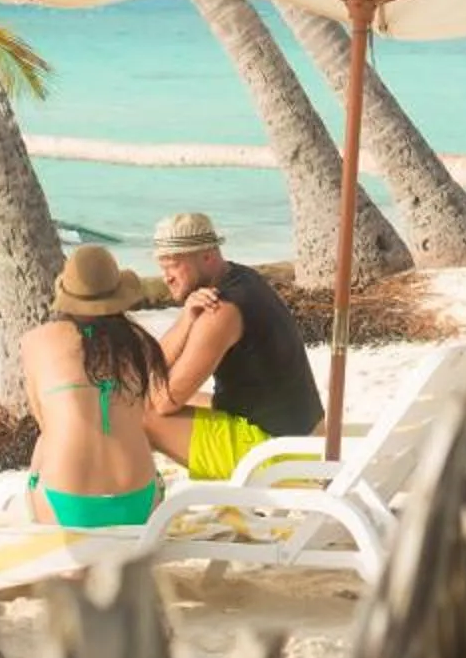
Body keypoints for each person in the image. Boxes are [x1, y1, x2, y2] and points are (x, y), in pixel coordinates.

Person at [139, 211, 322, 483]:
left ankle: (135, 501)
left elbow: (163, 402)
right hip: (303, 437)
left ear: (208, 256)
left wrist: (142, 391)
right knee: (173, 397)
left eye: (174, 264)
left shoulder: (221, 311)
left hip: (275, 456)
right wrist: (187, 317)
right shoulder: (243, 277)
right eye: (162, 266)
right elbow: (156, 363)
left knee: (139, 415)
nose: (167, 277)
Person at [20, 245, 172, 529]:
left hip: (67, 504)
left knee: (46, 442)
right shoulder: (140, 343)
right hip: (141, 503)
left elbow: (44, 422)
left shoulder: (35, 342)